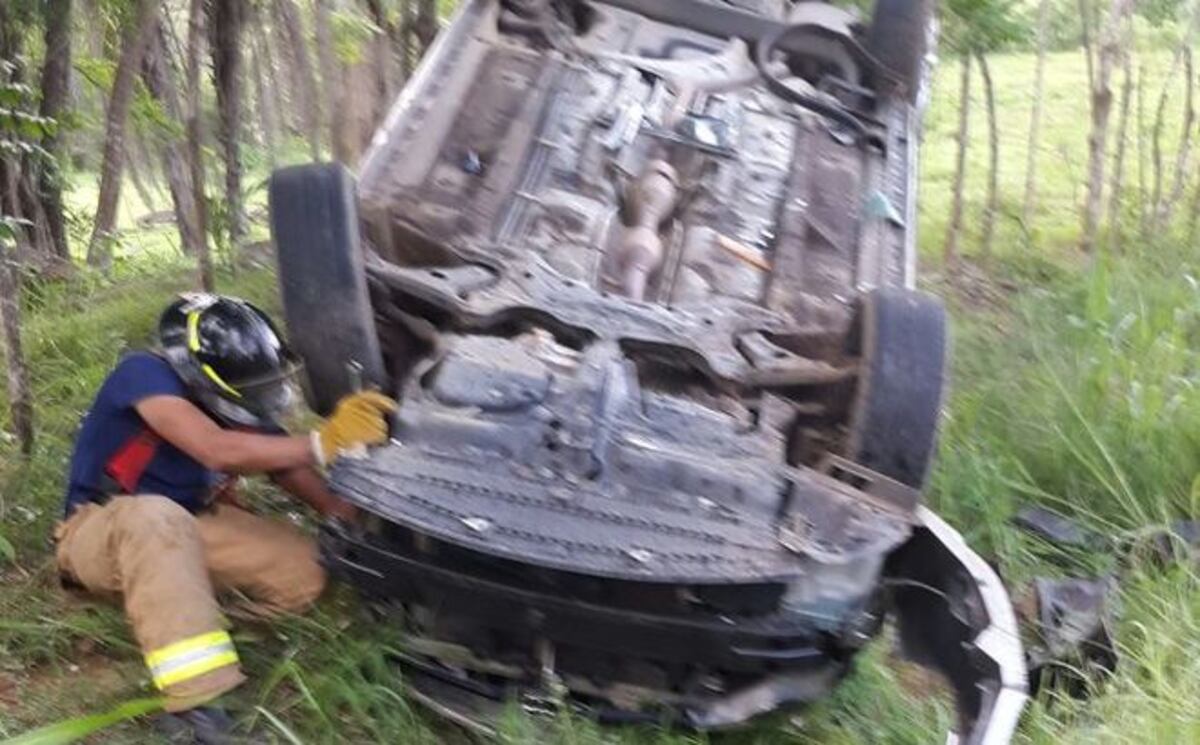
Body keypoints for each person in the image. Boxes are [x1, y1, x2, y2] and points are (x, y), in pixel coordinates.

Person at [54, 293, 394, 742]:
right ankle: (196, 711)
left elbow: (282, 463)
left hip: (184, 529)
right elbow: (213, 447)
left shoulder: (235, 399)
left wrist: (355, 510)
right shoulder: (143, 374)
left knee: (308, 569)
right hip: (100, 531)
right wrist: (321, 442)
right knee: (159, 517)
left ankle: (191, 625)